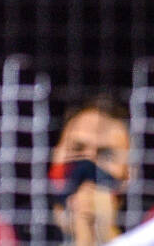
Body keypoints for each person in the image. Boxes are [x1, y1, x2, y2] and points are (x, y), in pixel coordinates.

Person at [48, 95, 133, 245]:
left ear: (129, 174)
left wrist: (105, 234)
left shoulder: (148, 230)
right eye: (77, 149)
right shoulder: (9, 228)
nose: (89, 162)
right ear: (55, 155)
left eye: (106, 154)